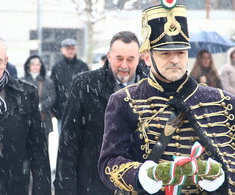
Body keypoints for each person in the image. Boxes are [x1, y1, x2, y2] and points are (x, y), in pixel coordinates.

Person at [98, 3, 234, 195]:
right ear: (147, 58)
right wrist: (141, 175)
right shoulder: (123, 101)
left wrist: (219, 178)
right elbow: (109, 164)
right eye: (165, 53)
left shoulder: (223, 102)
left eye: (180, 52)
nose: (175, 60)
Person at [54, 31, 148, 195]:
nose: (124, 65)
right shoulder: (85, 84)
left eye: (130, 59)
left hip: (139, 184)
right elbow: (69, 141)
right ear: (109, 56)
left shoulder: (150, 87)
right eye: (119, 58)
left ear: (139, 58)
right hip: (94, 182)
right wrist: (65, 187)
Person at [0, 36, 51, 195]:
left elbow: (38, 150)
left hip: (15, 185)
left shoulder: (26, 93)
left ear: (6, 61)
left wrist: (41, 189)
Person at [51, 38, 89, 135]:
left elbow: (88, 87)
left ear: (76, 49)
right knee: (63, 138)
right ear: (62, 50)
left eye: (72, 48)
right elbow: (53, 89)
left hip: (80, 110)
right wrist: (54, 108)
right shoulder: (57, 67)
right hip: (62, 109)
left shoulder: (83, 66)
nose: (70, 51)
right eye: (68, 49)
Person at [22, 54, 56, 139]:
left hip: (43, 117)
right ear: (28, 66)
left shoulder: (48, 81)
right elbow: (19, 97)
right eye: (33, 64)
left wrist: (41, 106)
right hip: (26, 118)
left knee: (44, 146)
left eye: (38, 64)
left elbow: (52, 97)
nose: (35, 67)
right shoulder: (22, 81)